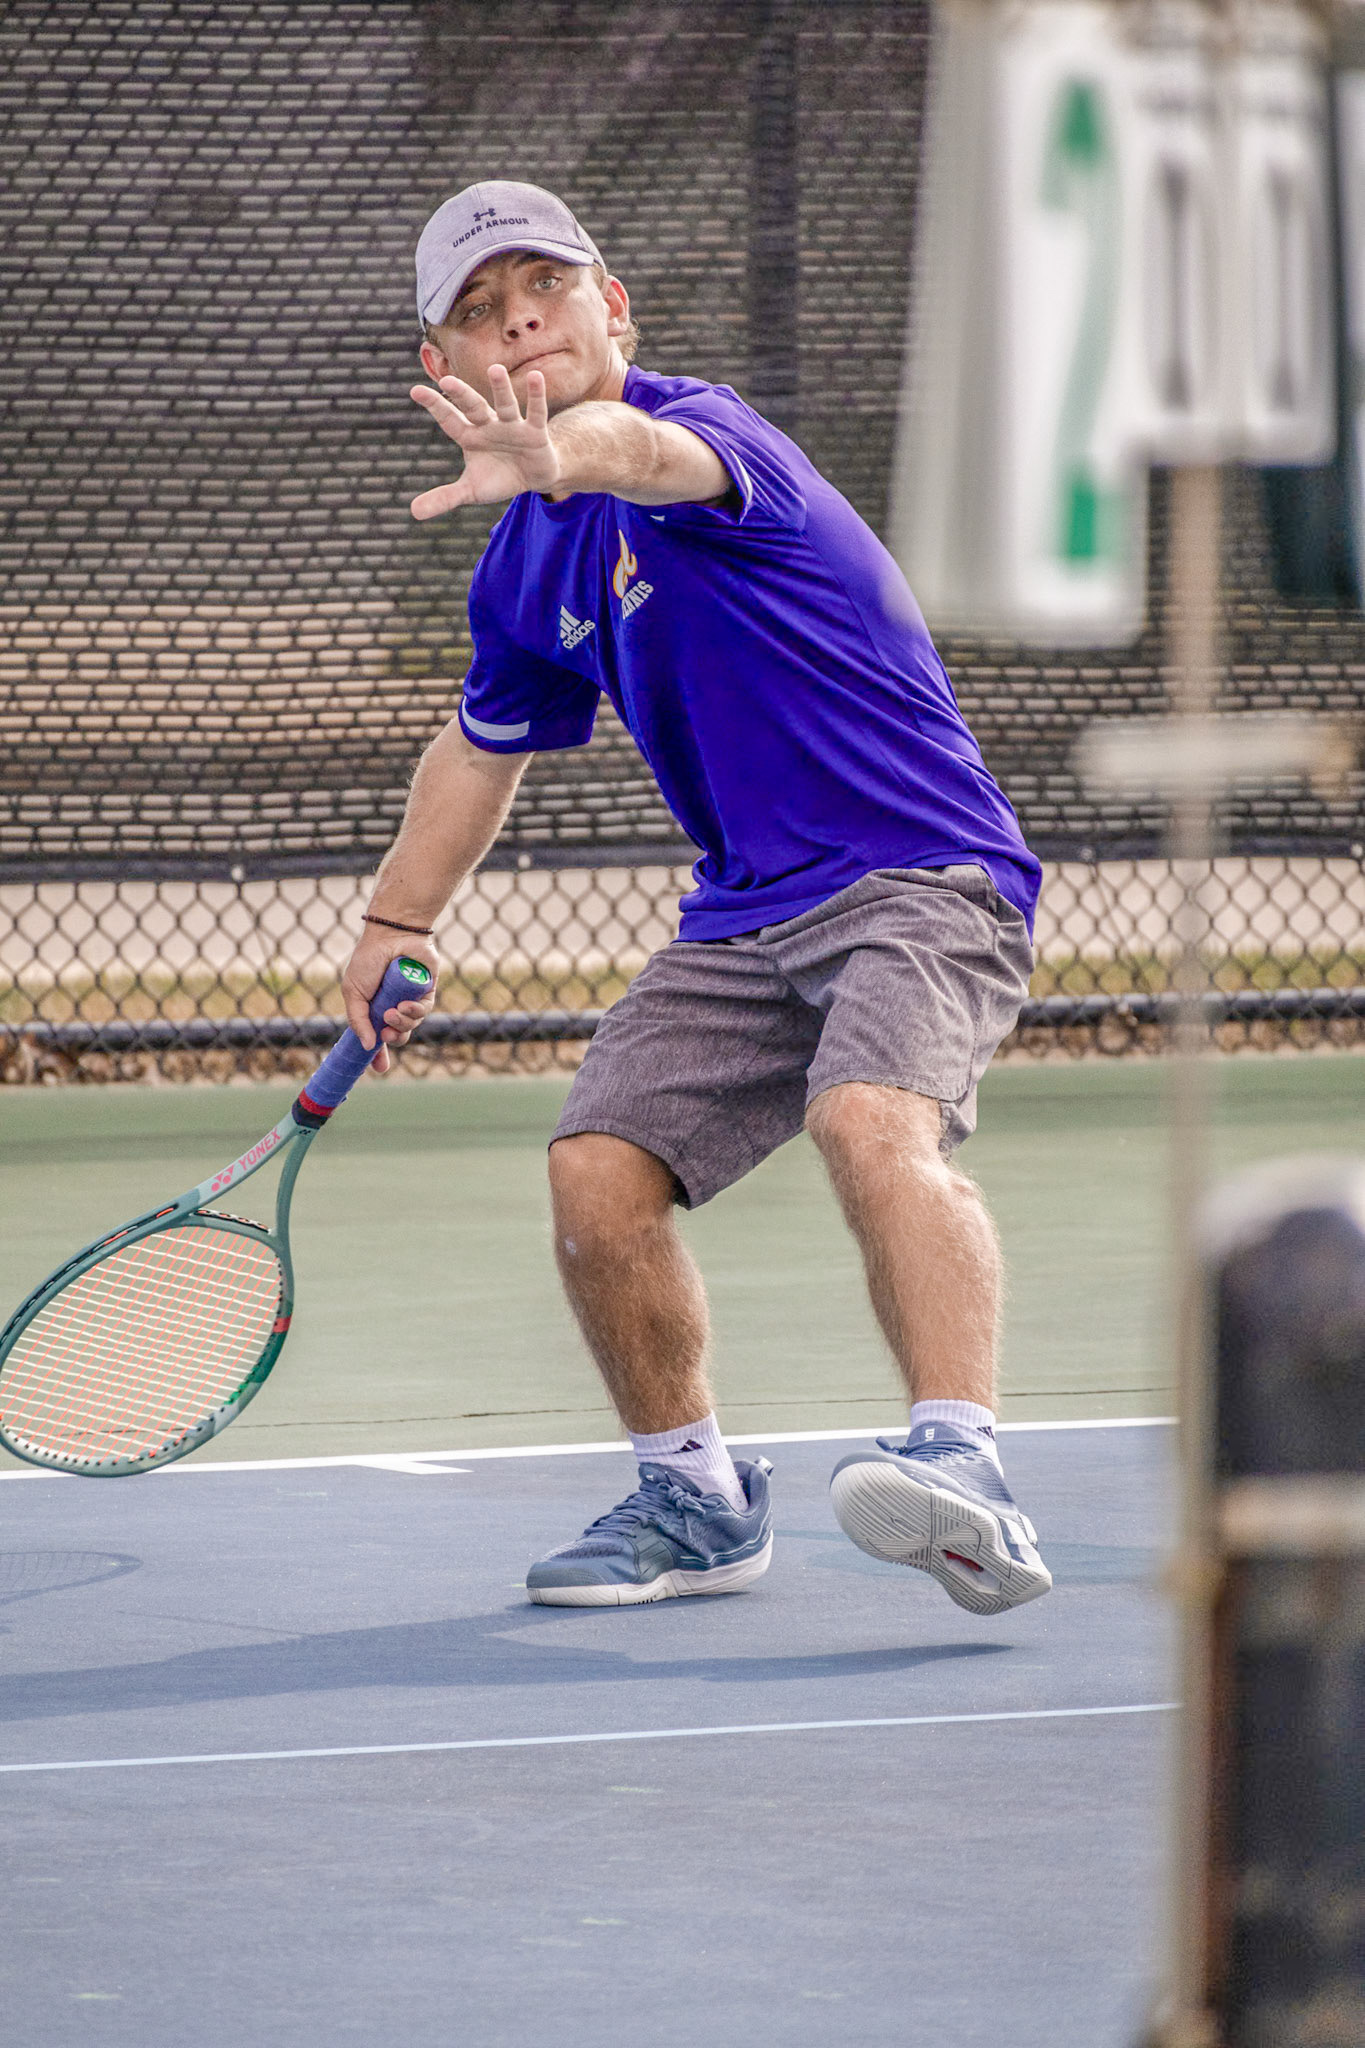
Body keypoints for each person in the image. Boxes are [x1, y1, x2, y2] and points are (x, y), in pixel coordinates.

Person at [343, 179, 1052, 1617]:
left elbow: (635, 453)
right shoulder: (521, 567)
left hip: (921, 877)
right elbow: (480, 753)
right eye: (478, 311)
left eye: (544, 286)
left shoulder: (715, 437)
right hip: (742, 918)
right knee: (595, 1177)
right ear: (448, 369)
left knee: (866, 1116)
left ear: (614, 308)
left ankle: (964, 1461)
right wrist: (394, 924)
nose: (517, 316)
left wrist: (560, 450)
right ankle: (697, 1497)